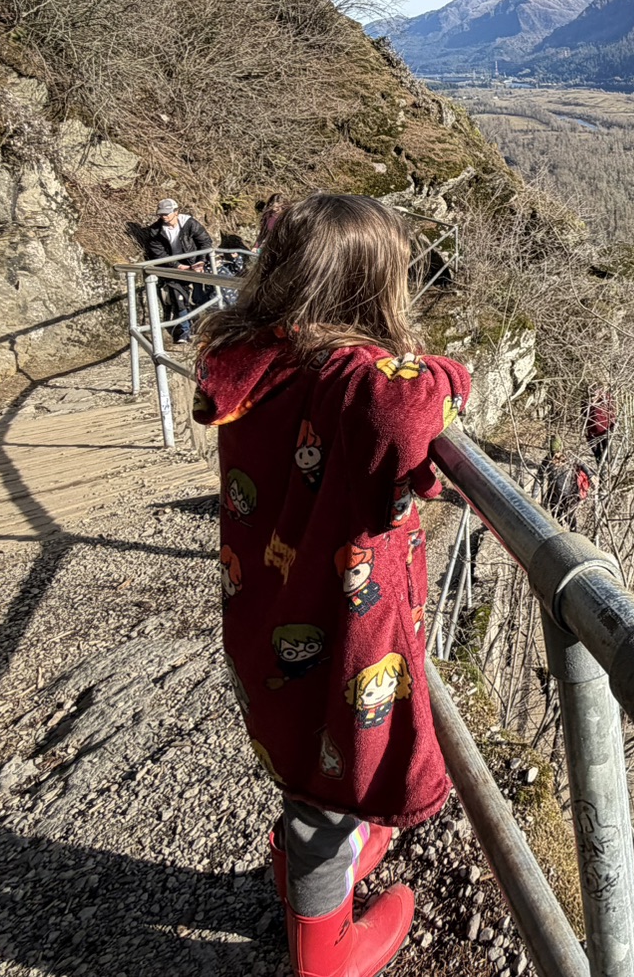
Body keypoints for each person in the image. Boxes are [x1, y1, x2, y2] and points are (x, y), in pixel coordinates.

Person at [193, 193, 471, 977]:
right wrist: (450, 371)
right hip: (337, 626)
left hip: (264, 608)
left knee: (303, 754)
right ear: (371, 288)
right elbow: (409, 410)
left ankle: (308, 864)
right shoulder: (348, 374)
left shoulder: (254, 354)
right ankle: (324, 950)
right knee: (327, 780)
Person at [142, 198, 214, 342]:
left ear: (176, 211)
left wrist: (200, 261)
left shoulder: (189, 223)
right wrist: (178, 266)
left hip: (194, 264)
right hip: (172, 268)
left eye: (167, 213)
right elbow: (159, 253)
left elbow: (205, 242)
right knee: (178, 297)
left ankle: (202, 330)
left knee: (198, 298)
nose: (164, 216)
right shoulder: (155, 231)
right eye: (161, 213)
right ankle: (183, 333)